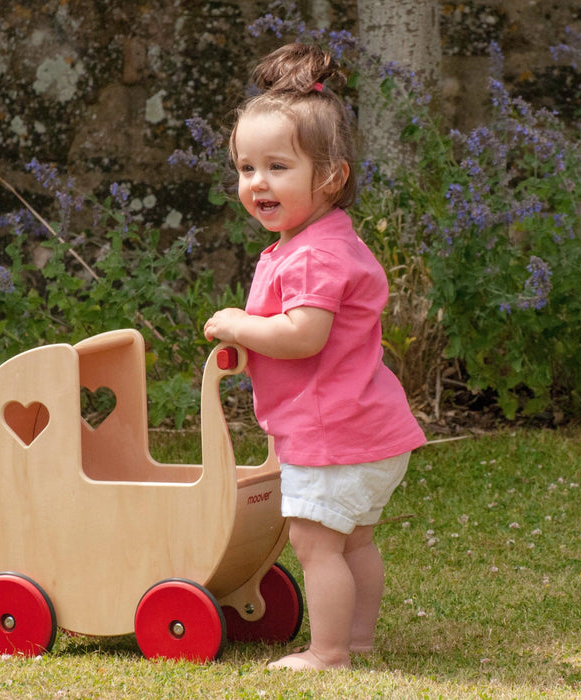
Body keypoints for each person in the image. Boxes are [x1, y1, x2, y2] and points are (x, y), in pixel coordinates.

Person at [203, 43, 427, 671]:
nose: (257, 184)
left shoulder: (313, 255)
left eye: (278, 167)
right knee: (353, 542)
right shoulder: (319, 241)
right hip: (366, 427)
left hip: (335, 431)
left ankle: (329, 653)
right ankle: (355, 639)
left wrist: (242, 326)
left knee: (315, 542)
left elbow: (303, 334)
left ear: (330, 178)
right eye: (246, 168)